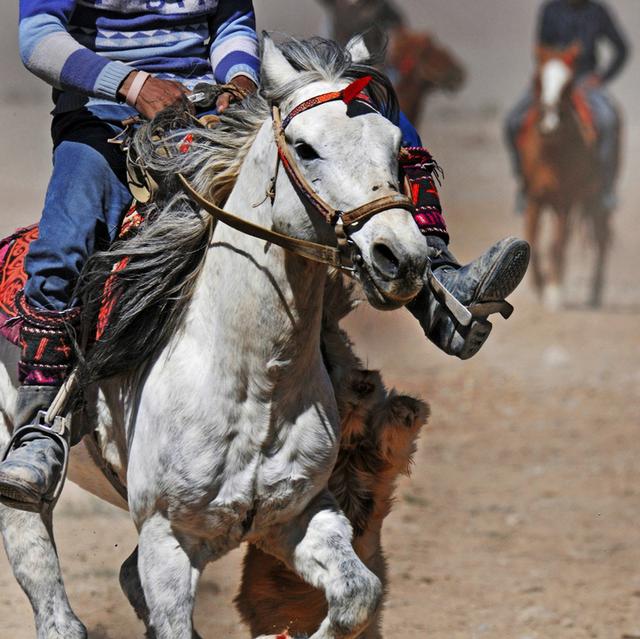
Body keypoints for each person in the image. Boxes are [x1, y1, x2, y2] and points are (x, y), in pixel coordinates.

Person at [0, 6, 528, 510]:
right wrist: (134, 85)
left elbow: (231, 22)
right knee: (63, 245)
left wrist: (240, 82)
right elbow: (38, 39)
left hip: (212, 106)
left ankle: (438, 285)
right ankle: (39, 425)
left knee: (356, 108)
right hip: (103, 118)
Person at [505, 0, 630, 209]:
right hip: (553, 80)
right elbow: (541, 47)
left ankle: (606, 189)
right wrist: (550, 73)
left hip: (584, 81)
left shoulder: (598, 12)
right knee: (512, 121)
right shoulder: (550, 10)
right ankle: (524, 185)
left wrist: (602, 77)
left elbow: (622, 49)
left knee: (608, 121)